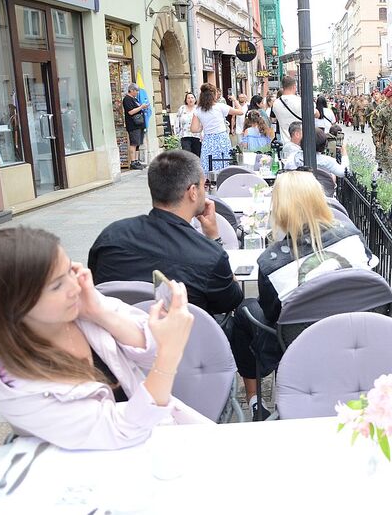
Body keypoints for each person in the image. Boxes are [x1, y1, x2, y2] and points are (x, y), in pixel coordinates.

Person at [0, 227, 209, 450]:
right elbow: (120, 431)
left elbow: (150, 351)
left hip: (156, 436)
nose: (74, 287)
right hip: (97, 465)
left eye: (70, 270)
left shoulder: (78, 308)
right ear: (15, 305)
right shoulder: (16, 386)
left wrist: (99, 313)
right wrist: (170, 353)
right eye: (57, 285)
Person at [87, 150, 265, 419]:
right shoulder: (207, 254)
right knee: (245, 314)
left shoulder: (110, 237)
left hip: (116, 361)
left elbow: (98, 288)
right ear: (193, 192)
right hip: (191, 360)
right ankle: (254, 399)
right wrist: (214, 239)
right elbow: (230, 301)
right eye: (204, 185)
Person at [254, 171, 375, 327]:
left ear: (278, 208)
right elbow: (369, 273)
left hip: (304, 338)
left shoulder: (270, 264)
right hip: (359, 326)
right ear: (320, 199)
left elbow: (271, 315)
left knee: (247, 307)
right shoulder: (352, 235)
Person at [191, 83, 242, 173]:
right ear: (213, 95)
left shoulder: (198, 110)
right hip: (221, 138)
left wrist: (202, 126)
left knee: (209, 163)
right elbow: (240, 112)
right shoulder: (220, 106)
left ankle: (209, 179)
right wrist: (234, 100)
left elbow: (194, 129)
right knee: (224, 161)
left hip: (208, 139)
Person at [371, 86, 392, 173]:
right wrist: (377, 140)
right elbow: (377, 126)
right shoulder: (383, 110)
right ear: (388, 98)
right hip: (387, 139)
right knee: (388, 163)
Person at [123, 83, 149, 170]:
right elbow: (130, 112)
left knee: (138, 144)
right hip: (133, 125)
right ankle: (133, 161)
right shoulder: (127, 99)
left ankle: (136, 160)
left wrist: (143, 107)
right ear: (131, 90)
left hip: (139, 124)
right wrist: (141, 107)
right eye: (136, 91)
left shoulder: (134, 99)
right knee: (134, 143)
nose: (137, 92)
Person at [272, 75, 303, 143]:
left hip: (284, 142)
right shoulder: (300, 101)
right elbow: (316, 114)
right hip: (300, 140)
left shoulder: (276, 103)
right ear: (294, 86)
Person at [174, 92, 202, 157]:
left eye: (192, 98)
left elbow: (202, 122)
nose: (190, 99)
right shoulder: (182, 109)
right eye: (188, 98)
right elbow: (177, 121)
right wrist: (177, 134)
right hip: (185, 135)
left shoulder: (198, 109)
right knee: (187, 155)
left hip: (197, 136)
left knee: (196, 156)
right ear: (186, 100)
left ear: (195, 99)